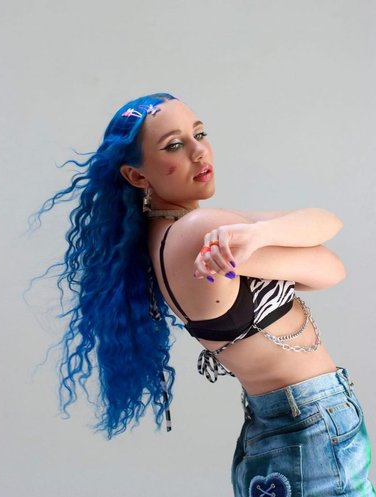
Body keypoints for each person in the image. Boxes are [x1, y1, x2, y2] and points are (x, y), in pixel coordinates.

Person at [37, 93, 375, 496]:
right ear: (137, 176)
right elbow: (331, 267)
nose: (199, 152)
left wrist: (258, 235)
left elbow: (326, 222)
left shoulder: (174, 232)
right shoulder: (200, 231)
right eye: (173, 145)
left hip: (282, 429)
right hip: (309, 423)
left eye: (199, 134)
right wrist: (266, 233)